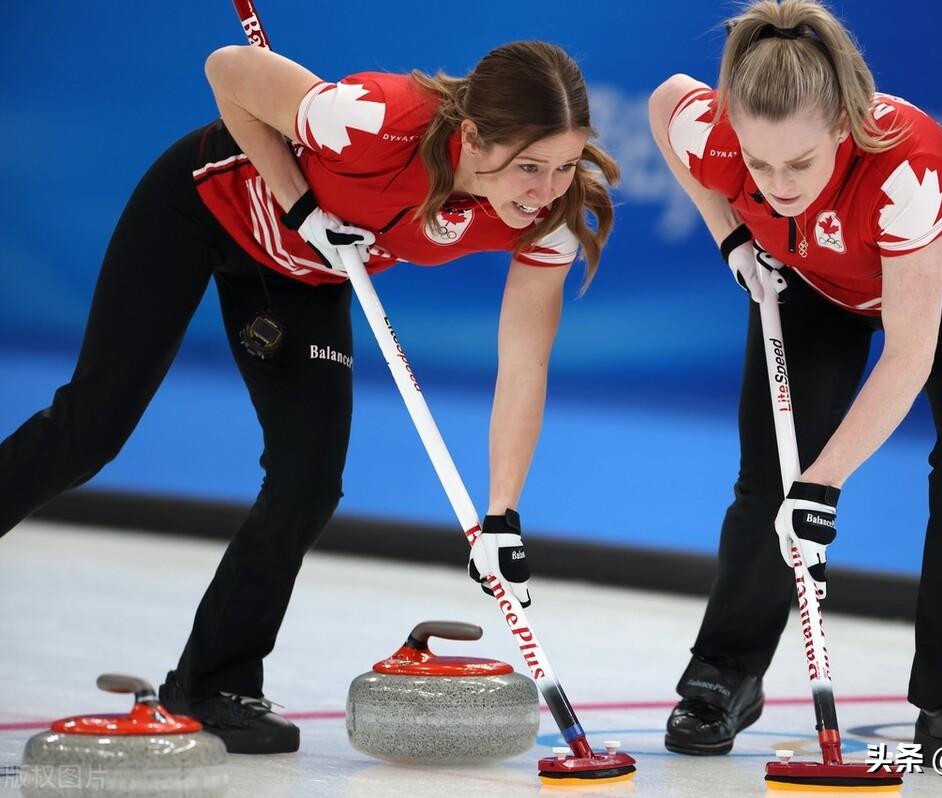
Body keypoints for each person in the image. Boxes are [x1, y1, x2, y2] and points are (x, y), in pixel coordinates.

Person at [0, 40, 617, 754]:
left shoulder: (554, 216)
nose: (545, 190)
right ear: (473, 137)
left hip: (307, 274)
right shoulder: (372, 121)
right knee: (92, 428)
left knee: (309, 479)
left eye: (565, 165)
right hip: (202, 207)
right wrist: (299, 203)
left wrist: (501, 516)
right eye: (529, 167)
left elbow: (524, 367)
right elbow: (226, 70)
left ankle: (212, 684)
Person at [648, 0, 942, 770]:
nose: (777, 184)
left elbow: (909, 353)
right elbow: (666, 104)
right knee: (773, 470)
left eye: (798, 164)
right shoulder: (721, 137)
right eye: (759, 165)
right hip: (812, 278)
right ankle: (725, 672)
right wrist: (731, 234)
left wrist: (823, 486)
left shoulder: (904, 164)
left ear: (839, 127)